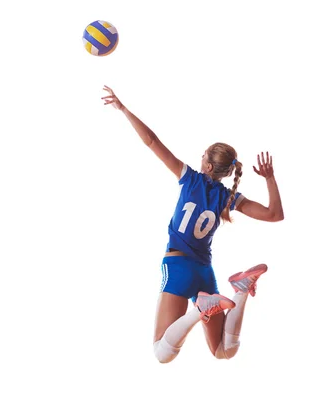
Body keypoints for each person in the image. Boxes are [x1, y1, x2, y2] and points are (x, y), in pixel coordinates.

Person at [101, 85, 284, 363]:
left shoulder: (190, 178)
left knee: (162, 353)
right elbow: (274, 214)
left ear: (209, 166)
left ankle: (199, 310)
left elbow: (151, 141)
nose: (200, 159)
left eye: (204, 156)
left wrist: (123, 109)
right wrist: (269, 178)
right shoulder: (229, 197)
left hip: (177, 267)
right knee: (224, 350)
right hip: (203, 273)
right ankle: (242, 290)